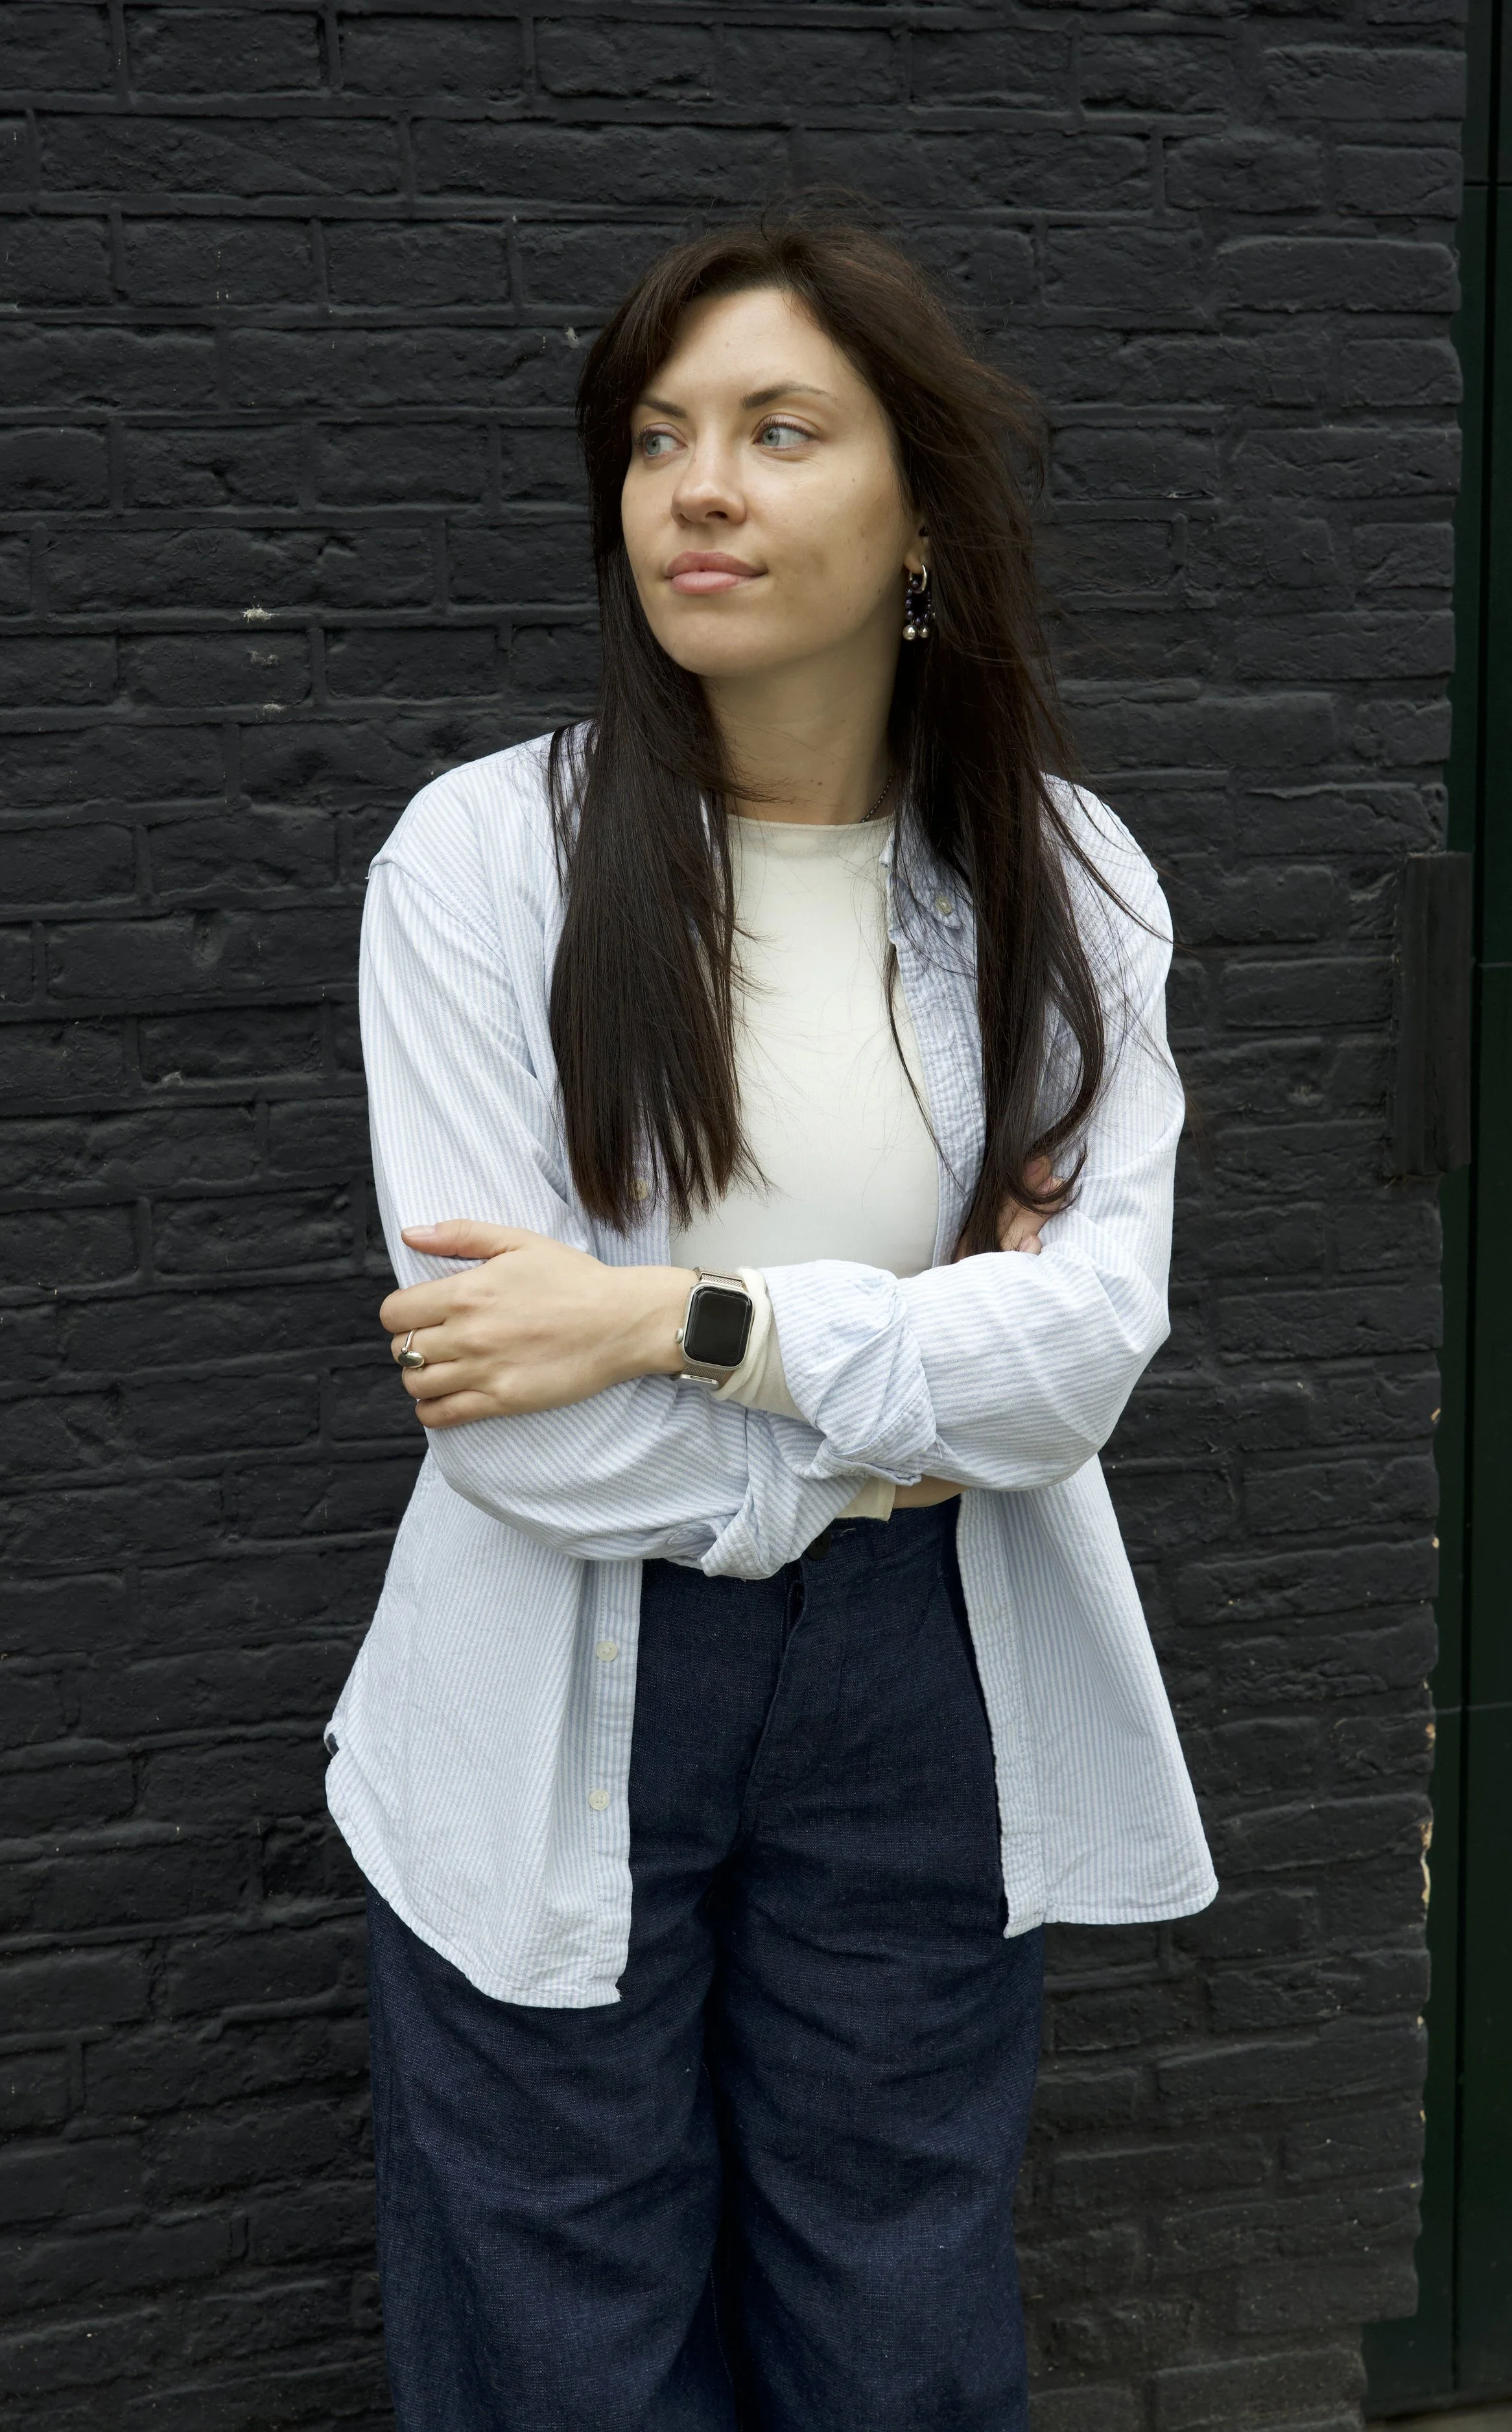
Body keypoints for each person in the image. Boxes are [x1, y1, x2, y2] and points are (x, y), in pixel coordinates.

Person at [324, 210, 1216, 2432]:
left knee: (896, 2307)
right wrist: (917, 1379)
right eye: (654, 437)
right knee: (560, 2331)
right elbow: (511, 1422)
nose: (695, 488)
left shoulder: (1063, 879)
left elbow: (1087, 1349)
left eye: (776, 430)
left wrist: (677, 1316)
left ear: (921, 510)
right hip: (562, 1665)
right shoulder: (488, 861)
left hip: (931, 1662)